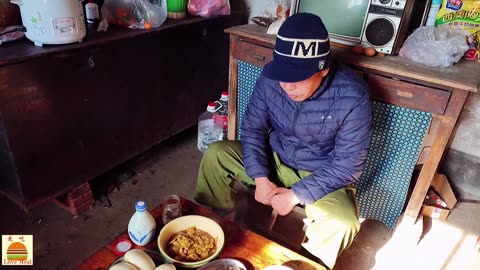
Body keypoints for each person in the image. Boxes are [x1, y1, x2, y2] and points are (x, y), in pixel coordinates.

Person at [195, 13, 372, 269]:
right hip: (275, 157)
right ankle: (213, 228)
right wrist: (260, 176)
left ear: (322, 69)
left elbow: (348, 165)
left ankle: (304, 264)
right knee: (216, 154)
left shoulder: (353, 96)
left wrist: (295, 195)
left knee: (343, 222)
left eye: (297, 77)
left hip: (321, 173)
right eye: (283, 73)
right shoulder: (270, 77)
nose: (287, 85)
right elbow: (253, 128)